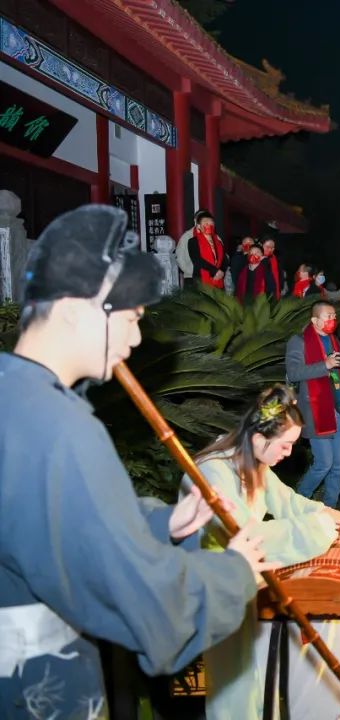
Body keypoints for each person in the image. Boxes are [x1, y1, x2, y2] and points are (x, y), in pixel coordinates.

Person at [0, 205, 270, 717]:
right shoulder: (60, 427)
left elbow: (62, 528)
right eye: (130, 318)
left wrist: (160, 522)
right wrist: (233, 573)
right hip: (36, 687)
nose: (136, 339)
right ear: (77, 309)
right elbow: (139, 596)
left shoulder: (13, 396)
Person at [188, 386, 340, 720]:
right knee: (240, 693)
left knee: (332, 619)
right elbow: (243, 536)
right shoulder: (213, 471)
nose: (288, 452)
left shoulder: (251, 462)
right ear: (259, 437)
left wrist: (332, 515)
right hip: (222, 587)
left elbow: (289, 503)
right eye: (285, 445)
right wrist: (317, 530)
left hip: (252, 575)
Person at [287, 301, 340, 507]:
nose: (332, 321)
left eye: (334, 317)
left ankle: (330, 508)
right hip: (316, 410)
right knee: (324, 463)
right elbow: (294, 373)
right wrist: (324, 365)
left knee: (338, 465)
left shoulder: (334, 340)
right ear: (314, 320)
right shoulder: (299, 341)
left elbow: (337, 372)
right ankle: (297, 501)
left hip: (337, 407)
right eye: (328, 317)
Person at [188, 210, 227, 290]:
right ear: (198, 226)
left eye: (211, 223)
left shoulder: (218, 242)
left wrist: (221, 272)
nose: (209, 225)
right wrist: (215, 271)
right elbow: (197, 260)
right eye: (206, 222)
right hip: (201, 281)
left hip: (218, 280)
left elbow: (224, 259)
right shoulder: (193, 241)